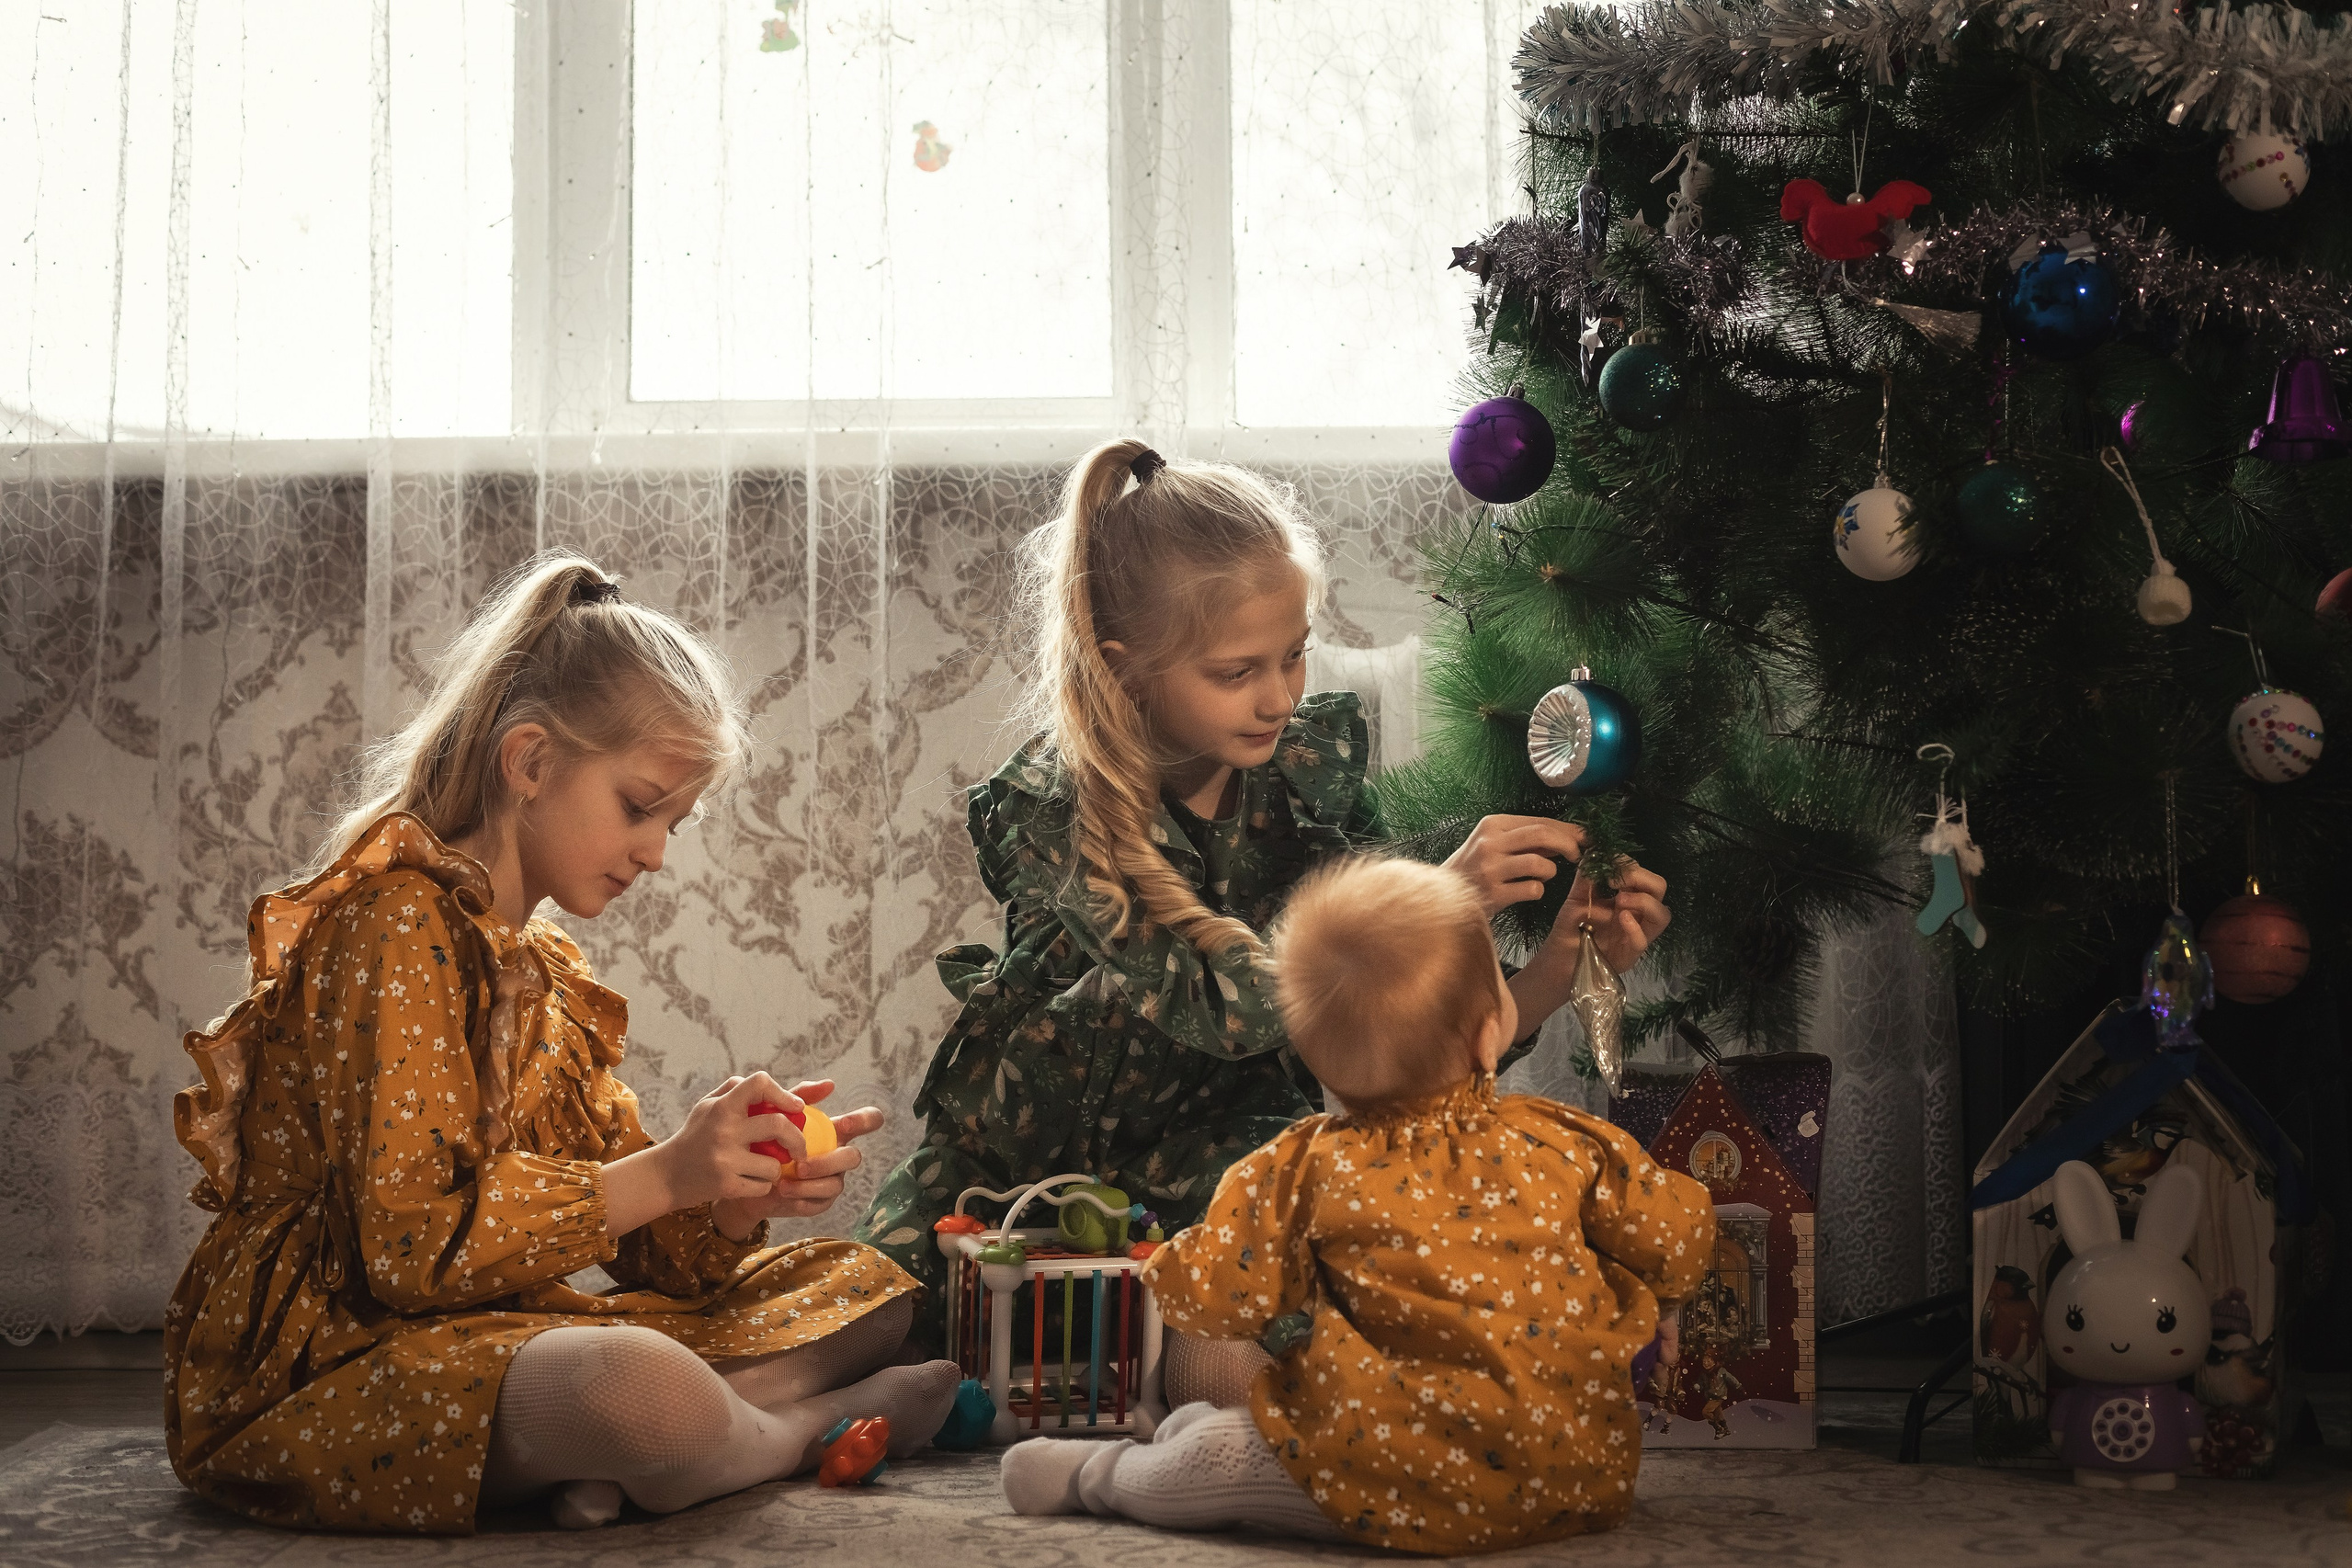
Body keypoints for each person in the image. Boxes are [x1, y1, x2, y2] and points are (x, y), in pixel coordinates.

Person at [164, 556, 960, 1536]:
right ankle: (784, 1433)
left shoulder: (547, 968)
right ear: (531, 762)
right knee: (632, 1383)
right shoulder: (396, 928)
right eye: (640, 804)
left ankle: (622, 1458)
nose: (658, 849)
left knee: (869, 1289)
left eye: (674, 819)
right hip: (325, 1355)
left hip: (485, 1327)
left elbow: (635, 1242)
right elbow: (407, 1254)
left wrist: (725, 1197)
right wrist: (666, 1171)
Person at [854, 438, 1673, 1377]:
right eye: (1237, 671)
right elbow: (1225, 1003)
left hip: (1226, 1167)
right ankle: (784, 1419)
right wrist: (1437, 892)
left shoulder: (1307, 779)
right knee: (869, 1307)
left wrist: (1558, 969)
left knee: (1345, 1274)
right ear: (1127, 670)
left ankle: (1199, 1417)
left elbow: (1390, 1035)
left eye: (1293, 656)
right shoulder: (1056, 807)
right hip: (1014, 1178)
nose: (1280, 696)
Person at [999, 857, 1716, 1552]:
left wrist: (1166, 1263)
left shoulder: (1301, 1168)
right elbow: (1679, 1229)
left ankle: (1100, 1477)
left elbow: (1217, 1301)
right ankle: (1193, 1433)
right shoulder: (1567, 1142)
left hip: (1389, 1478)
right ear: (1486, 1034)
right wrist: (1670, 1298)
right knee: (1243, 1421)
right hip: (1580, 1475)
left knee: (1225, 1456)